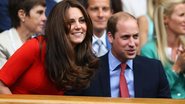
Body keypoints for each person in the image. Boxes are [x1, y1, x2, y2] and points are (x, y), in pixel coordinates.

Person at [0, 0, 98, 94]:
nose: (78, 26)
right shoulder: (35, 46)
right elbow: (1, 83)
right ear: (58, 26)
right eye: (71, 22)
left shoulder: (84, 56)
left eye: (82, 21)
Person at [66, 12, 171, 98]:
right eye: (125, 37)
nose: (132, 44)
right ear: (110, 37)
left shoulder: (154, 69)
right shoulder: (87, 70)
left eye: (135, 36)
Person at [141, 0, 185, 99]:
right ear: (165, 18)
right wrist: (177, 68)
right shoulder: (149, 51)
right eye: (182, 15)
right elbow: (151, 91)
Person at [0, 0, 47, 68]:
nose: (44, 18)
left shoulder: (42, 44)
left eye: (44, 13)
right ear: (22, 14)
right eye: (40, 12)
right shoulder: (2, 43)